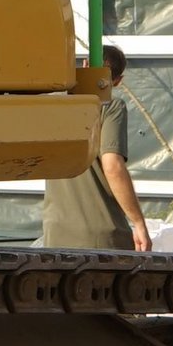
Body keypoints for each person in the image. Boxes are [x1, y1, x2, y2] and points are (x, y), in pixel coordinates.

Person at [40, 45, 152, 251]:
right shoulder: (110, 107)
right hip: (102, 236)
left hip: (55, 233)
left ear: (85, 66)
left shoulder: (56, 105)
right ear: (118, 80)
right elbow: (112, 166)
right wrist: (138, 223)